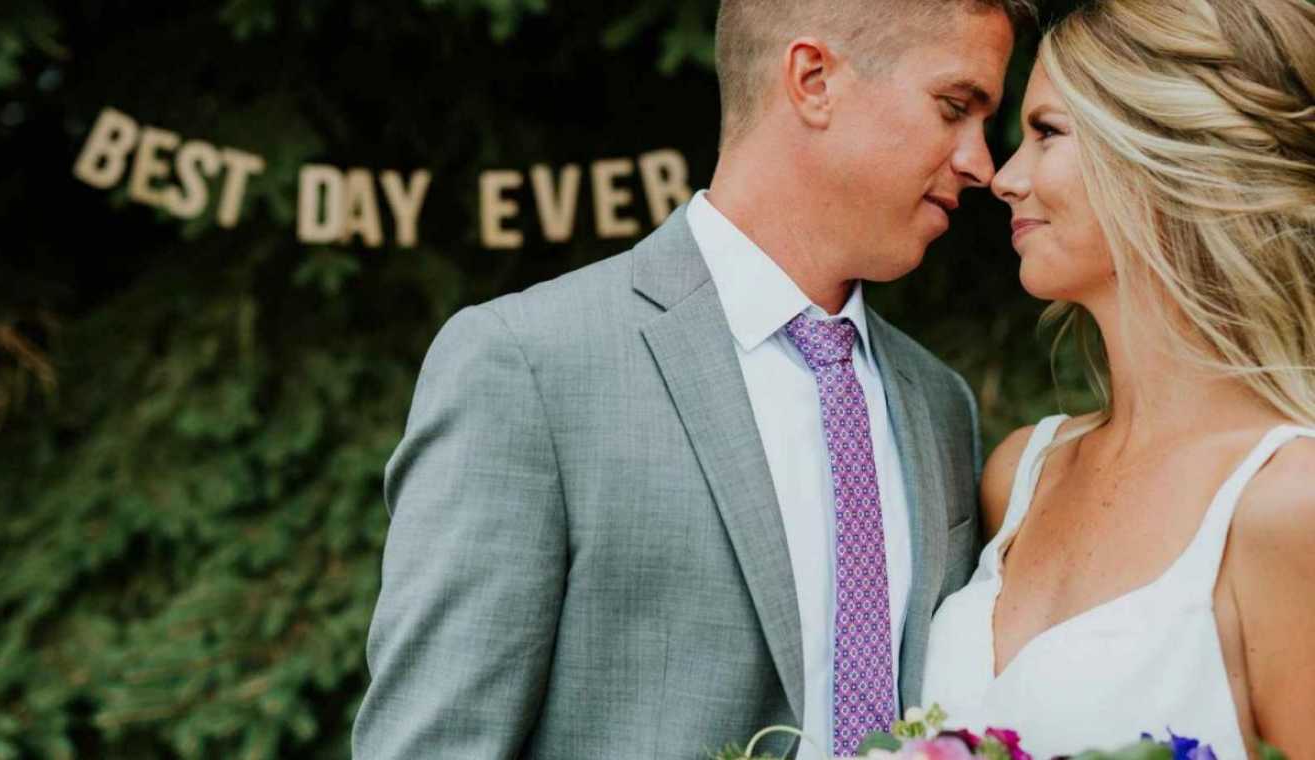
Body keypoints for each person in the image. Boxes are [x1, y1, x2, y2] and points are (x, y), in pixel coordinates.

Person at [351, 1, 1033, 758]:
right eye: (954, 107)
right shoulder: (529, 366)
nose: (982, 164)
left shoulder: (938, 403)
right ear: (814, 80)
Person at [921, 0, 1315, 757]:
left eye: (1047, 133)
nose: (1005, 178)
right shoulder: (1020, 474)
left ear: (1168, 154)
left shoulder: (1287, 502)